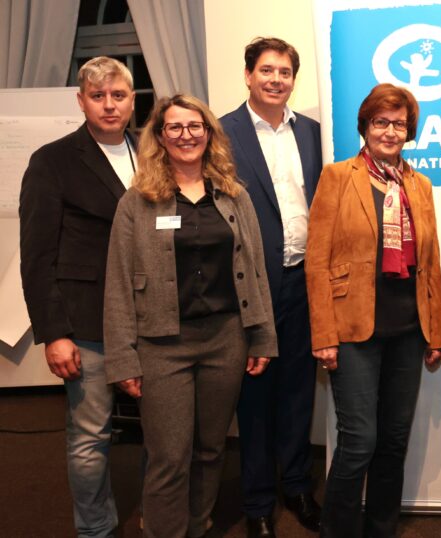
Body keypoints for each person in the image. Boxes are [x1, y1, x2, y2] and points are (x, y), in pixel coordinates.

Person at [103, 94, 277, 538]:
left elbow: (256, 269)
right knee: (168, 456)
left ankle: (196, 528)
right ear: (160, 137)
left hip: (226, 339)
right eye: (175, 127)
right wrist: (123, 358)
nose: (186, 135)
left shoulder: (234, 195)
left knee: (210, 449)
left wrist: (261, 338)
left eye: (195, 126)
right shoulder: (137, 201)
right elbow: (119, 284)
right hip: (163, 346)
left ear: (209, 133)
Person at [306, 83, 441, 538]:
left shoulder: (418, 185)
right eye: (381, 122)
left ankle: (381, 529)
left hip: (408, 330)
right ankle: (338, 530)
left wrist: (437, 332)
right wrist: (323, 335)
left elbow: (431, 265)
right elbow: (317, 261)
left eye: (399, 124)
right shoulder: (337, 176)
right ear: (365, 126)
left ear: (409, 132)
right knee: (359, 441)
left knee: (393, 441)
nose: (390, 131)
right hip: (353, 331)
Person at [19, 56, 137, 538]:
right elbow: (37, 255)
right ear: (81, 101)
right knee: (91, 437)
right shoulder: (52, 160)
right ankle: (96, 530)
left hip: (152, 320)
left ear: (133, 100)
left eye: (118, 95)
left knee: (168, 435)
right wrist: (54, 334)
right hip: (85, 324)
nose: (109, 106)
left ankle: (162, 518)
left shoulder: (153, 153)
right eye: (98, 96)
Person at [220, 36, 322, 538]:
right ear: (248, 75)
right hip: (253, 286)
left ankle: (298, 484)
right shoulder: (221, 133)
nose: (276, 79)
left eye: (284, 72)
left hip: (305, 279)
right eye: (267, 70)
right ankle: (258, 500)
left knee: (299, 391)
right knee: (255, 395)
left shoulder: (313, 134)